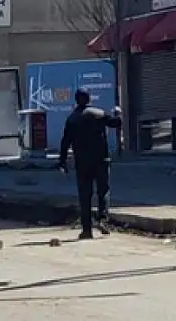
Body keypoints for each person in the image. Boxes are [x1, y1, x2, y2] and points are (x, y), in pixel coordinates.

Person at [58, 88, 122, 240]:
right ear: (89, 99)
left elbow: (65, 142)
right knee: (103, 191)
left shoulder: (72, 119)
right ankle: (102, 219)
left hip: (82, 163)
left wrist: (62, 162)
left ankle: (86, 230)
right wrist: (118, 112)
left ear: (76, 100)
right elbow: (116, 123)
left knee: (84, 196)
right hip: (101, 160)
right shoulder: (99, 114)